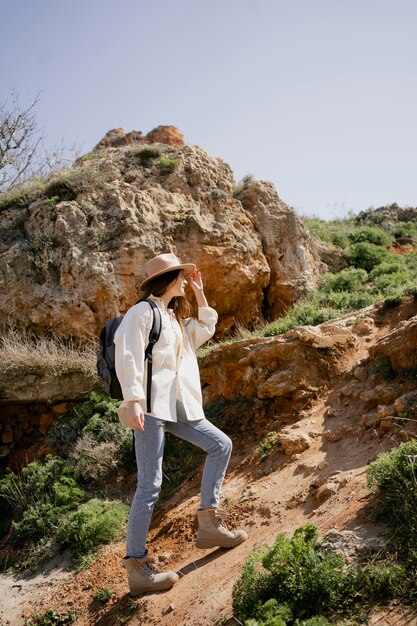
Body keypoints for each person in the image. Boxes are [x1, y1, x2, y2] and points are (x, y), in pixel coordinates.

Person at [114, 253, 247, 595]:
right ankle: (137, 567)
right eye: (184, 276)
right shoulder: (143, 312)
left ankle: (209, 524)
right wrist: (132, 401)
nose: (188, 279)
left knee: (220, 444)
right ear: (170, 277)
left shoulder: (173, 319)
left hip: (176, 407)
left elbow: (205, 329)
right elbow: (126, 352)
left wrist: (201, 294)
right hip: (149, 408)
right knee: (150, 485)